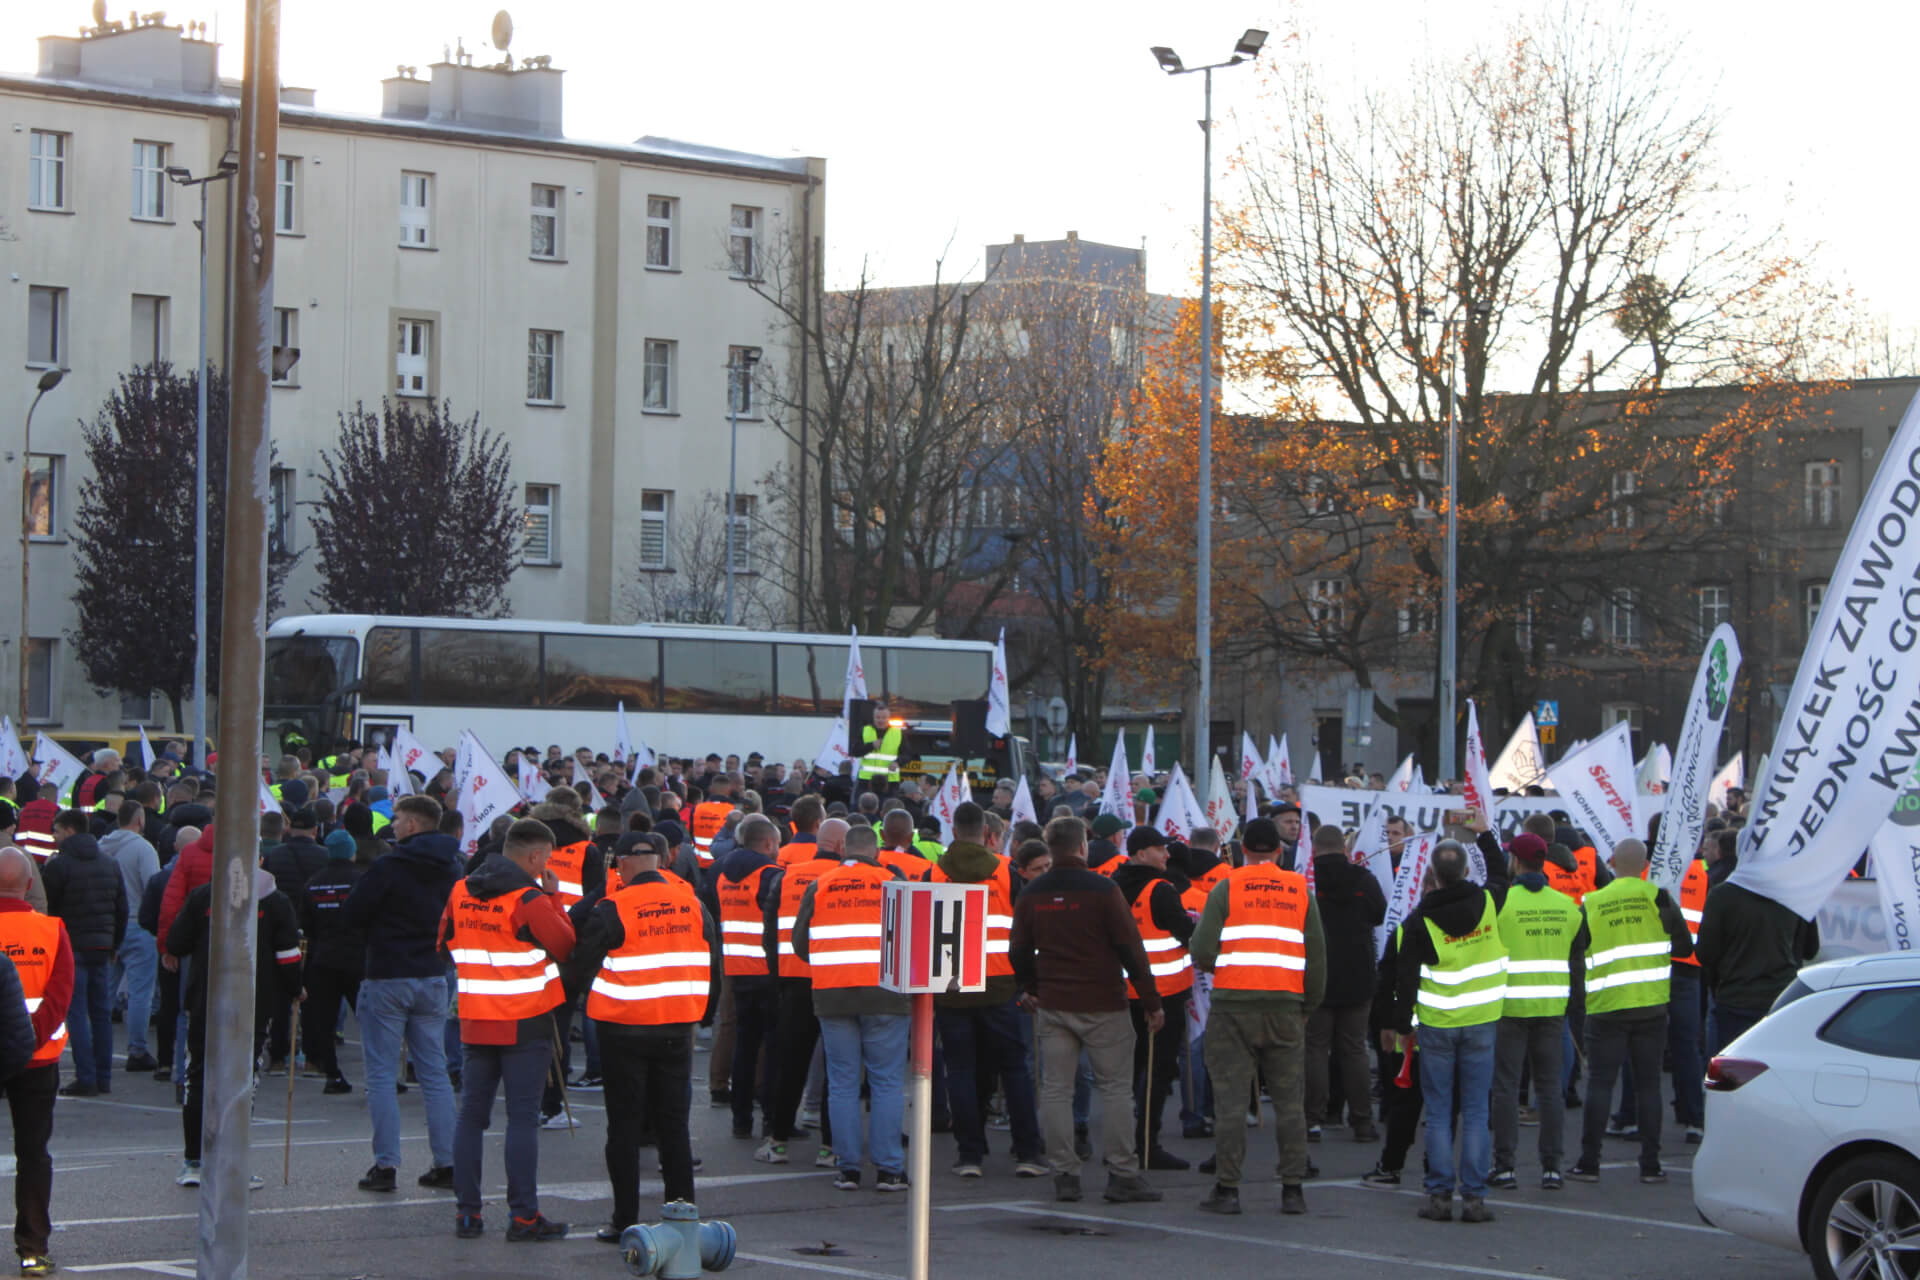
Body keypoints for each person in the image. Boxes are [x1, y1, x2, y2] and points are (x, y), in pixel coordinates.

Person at [568, 833, 722, 1241]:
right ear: (660, 861)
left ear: (622, 864)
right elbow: (714, 963)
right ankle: (682, 1216)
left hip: (623, 1029)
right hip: (676, 1027)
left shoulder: (613, 907)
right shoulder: (692, 904)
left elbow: (580, 968)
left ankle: (625, 1220)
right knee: (673, 1126)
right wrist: (702, 1015)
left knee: (624, 1127)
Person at [1009, 815, 1164, 1206]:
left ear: (1050, 848)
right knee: (1115, 1089)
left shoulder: (1033, 893)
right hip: (1104, 1002)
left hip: (1055, 1003)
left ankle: (1065, 1173)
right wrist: (1151, 1001)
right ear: (1082, 847)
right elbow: (1131, 948)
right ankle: (1122, 1173)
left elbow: (1018, 950)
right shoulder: (1104, 890)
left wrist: (1031, 987)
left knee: (1056, 1090)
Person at [442, 817, 576, 1241]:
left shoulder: (461, 890)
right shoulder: (529, 898)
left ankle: (467, 1213)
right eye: (546, 859)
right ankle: (523, 1216)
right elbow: (565, 944)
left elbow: (443, 941)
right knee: (521, 1118)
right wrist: (554, 898)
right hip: (524, 1019)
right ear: (535, 857)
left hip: (476, 1016)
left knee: (471, 1116)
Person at [1188, 816, 1324, 1216]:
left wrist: (1228, 968)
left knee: (1230, 1102)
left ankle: (1228, 1189)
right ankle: (1293, 1189)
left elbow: (1201, 949)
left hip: (1233, 1006)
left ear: (1242, 850)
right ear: (1280, 851)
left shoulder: (1227, 887)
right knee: (1289, 1102)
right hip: (1285, 1007)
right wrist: (1307, 1006)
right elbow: (1317, 957)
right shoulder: (1300, 890)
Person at [167, 835, 300, 1190]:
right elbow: (288, 954)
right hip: (254, 999)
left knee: (199, 1076)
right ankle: (234, 1161)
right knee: (243, 1079)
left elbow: (176, 942)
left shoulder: (204, 896)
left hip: (207, 997)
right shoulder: (275, 901)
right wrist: (295, 988)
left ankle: (194, 1161)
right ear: (259, 861)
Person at [341, 794, 460, 1193]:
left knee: (380, 1074)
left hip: (389, 972)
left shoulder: (389, 866)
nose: (392, 826)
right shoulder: (452, 866)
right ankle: (447, 1161)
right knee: (434, 1072)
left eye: (397, 820)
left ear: (411, 824)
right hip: (432, 972)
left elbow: (353, 913)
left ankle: (386, 1164)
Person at [929, 802, 1046, 1179]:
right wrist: (1029, 983)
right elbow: (1026, 933)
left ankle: (969, 1154)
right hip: (1000, 985)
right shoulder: (1006, 873)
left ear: (953, 830)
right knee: (1014, 1070)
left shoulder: (934, 872)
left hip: (951, 985)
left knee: (960, 1071)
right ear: (987, 833)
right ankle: (1027, 1152)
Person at [792, 824, 909, 1192]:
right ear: (877, 851)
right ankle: (889, 1169)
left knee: (842, 1082)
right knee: (886, 1081)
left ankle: (847, 1168)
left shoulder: (820, 884)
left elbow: (800, 944)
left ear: (843, 849)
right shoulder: (894, 883)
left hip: (833, 993)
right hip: (886, 994)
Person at [1394, 839, 1504, 1223]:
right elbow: (1501, 873)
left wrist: (1402, 1026)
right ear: (1466, 871)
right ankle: (1474, 1199)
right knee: (1476, 1111)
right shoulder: (1488, 902)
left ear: (1435, 876)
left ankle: (1440, 1195)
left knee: (1439, 1113)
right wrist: (1484, 834)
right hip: (1481, 1020)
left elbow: (1405, 981)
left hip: (1437, 1024)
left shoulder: (1418, 921)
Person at [1570, 839, 1692, 1185]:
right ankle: (1651, 1164)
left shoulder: (1593, 902)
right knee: (1649, 1086)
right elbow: (1684, 947)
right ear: (1645, 865)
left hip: (1607, 1006)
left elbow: (1576, 952)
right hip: (1650, 1005)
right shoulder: (1659, 898)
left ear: (1611, 863)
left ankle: (1589, 1163)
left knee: (1600, 1084)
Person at [1489, 833, 1583, 1192]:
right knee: (1550, 1089)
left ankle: (1505, 1167)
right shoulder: (1567, 906)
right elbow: (1577, 955)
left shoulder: (1501, 903)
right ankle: (1552, 1168)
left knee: (1506, 1087)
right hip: (1551, 1008)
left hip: (1509, 1007)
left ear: (1515, 861)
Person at [0, 847, 73, 1277]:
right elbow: (60, 996)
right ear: (29, 885)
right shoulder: (51, 930)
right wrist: (28, 1041)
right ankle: (32, 1250)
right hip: (38, 1057)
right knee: (33, 1154)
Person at [758, 817, 844, 1167]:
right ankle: (830, 1148)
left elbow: (769, 936)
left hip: (794, 981)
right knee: (838, 1068)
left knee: (790, 1065)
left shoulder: (786, 876)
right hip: (837, 982)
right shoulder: (849, 878)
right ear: (841, 845)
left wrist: (778, 977)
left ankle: (777, 1141)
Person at [1110, 826, 1194, 1172]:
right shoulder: (1161, 890)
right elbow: (1187, 934)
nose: (1167, 855)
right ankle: (1147, 1145)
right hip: (1162, 996)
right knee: (1156, 1074)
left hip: (1120, 994)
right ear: (1142, 853)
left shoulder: (1112, 885)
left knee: (1123, 1075)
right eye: (1161, 849)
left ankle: (1120, 1146)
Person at [1304, 819, 1385, 1144]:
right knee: (1354, 1050)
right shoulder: (1363, 878)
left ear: (1313, 849)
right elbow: (1379, 914)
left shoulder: (1306, 880)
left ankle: (1312, 1120)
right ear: (1344, 848)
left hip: (1317, 973)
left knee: (1315, 1048)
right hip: (1357, 974)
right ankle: (1362, 1122)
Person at [704, 814, 781, 1140]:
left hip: (735, 966)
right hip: (766, 970)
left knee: (743, 1043)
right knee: (771, 1046)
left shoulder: (722, 872)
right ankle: (771, 1117)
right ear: (768, 843)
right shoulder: (770, 875)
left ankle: (740, 1118)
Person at [1696, 853, 1819, 1057]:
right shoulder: (1795, 894)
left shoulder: (1722, 895)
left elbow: (1705, 954)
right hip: (1782, 999)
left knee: (1731, 1069)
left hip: (1735, 999)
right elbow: (1810, 949)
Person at [43, 809, 127, 1098]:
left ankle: (86, 1077)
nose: (53, 836)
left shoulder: (59, 866)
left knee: (76, 1012)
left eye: (56, 830)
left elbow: (50, 910)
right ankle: (103, 1077)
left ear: (69, 830)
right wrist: (114, 944)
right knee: (100, 1012)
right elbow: (121, 908)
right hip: (102, 946)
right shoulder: (109, 864)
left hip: (71, 947)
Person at [301, 830, 369, 1094]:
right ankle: (380, 1074)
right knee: (369, 1020)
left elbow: (306, 925)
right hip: (356, 958)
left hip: (323, 958)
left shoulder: (313, 883)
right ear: (351, 852)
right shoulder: (361, 880)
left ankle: (332, 1073)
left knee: (325, 1020)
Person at [101, 799, 161, 1074]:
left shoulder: (101, 847)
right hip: (138, 924)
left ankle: (97, 1046)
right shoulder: (143, 849)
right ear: (139, 820)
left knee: (105, 990)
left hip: (108, 925)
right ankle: (137, 1049)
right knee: (140, 992)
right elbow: (153, 887)